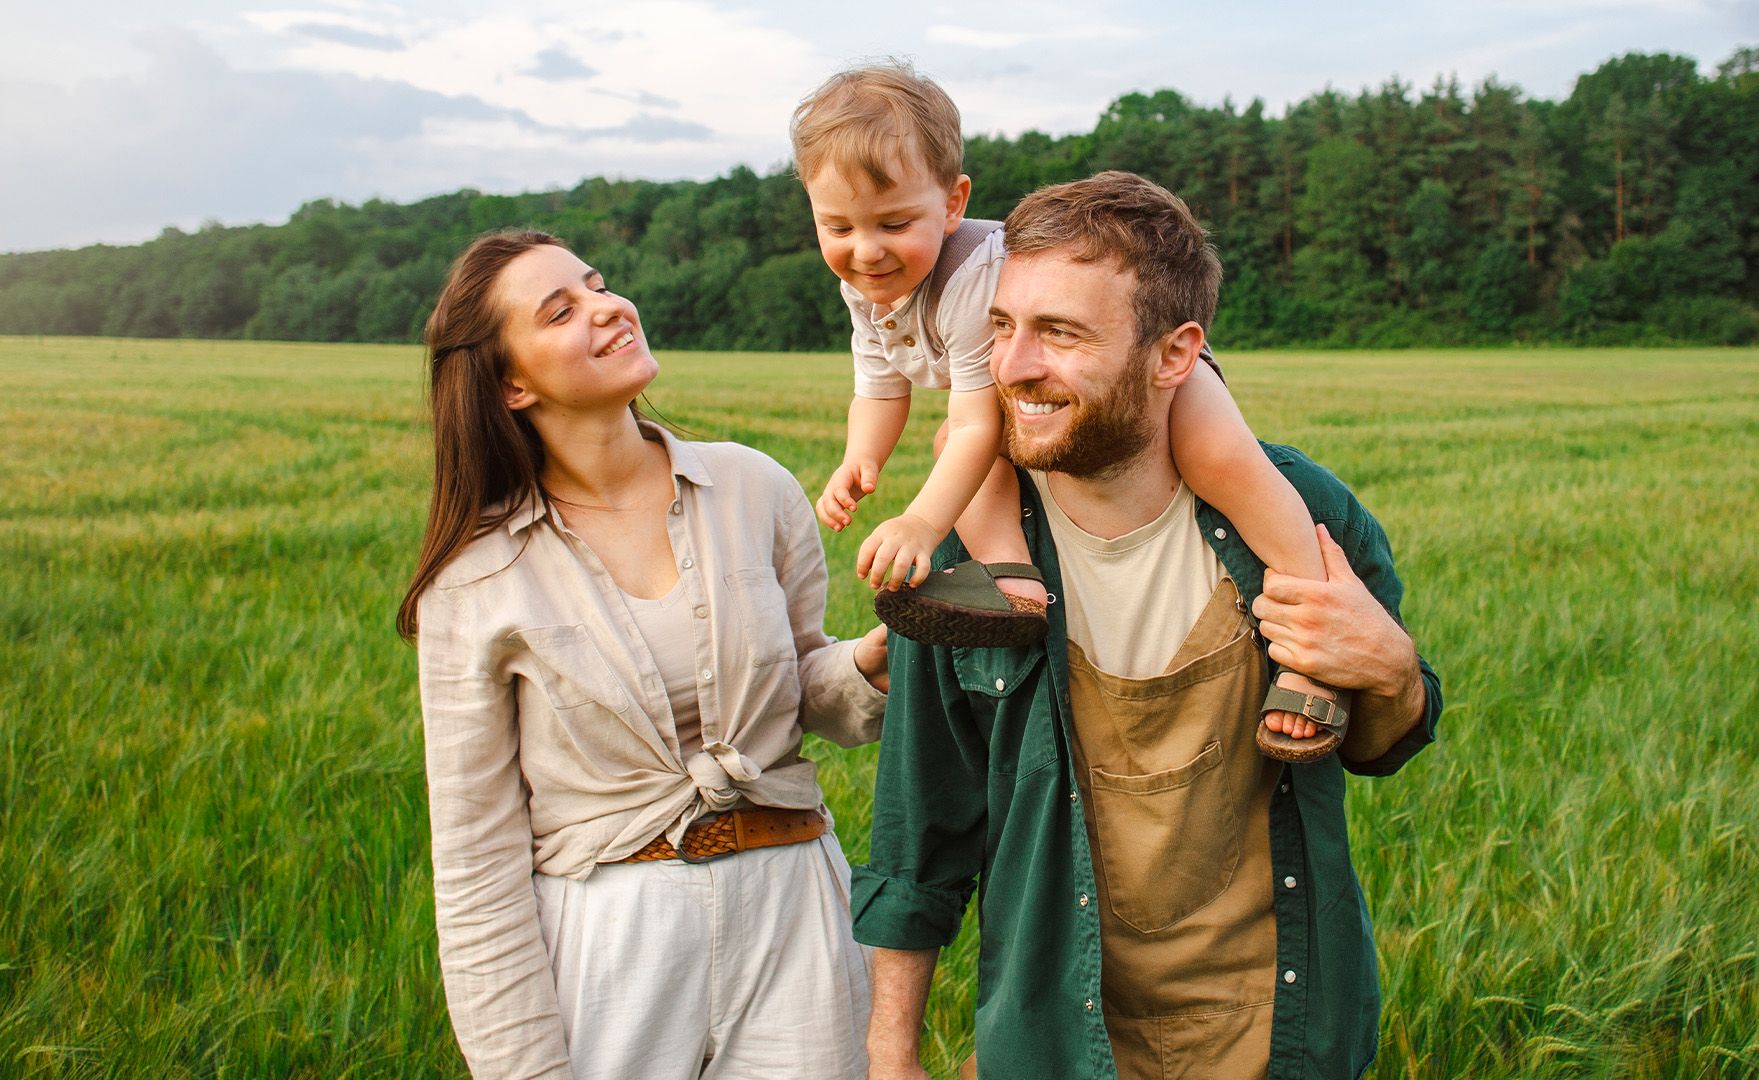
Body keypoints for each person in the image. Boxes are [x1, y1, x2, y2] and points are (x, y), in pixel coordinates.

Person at [852, 173, 1445, 1080]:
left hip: (1280, 1031)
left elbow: (1384, 742)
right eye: (1003, 326)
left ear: (1177, 355)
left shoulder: (1301, 514)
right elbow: (917, 832)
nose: (1011, 368)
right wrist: (890, 1059)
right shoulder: (965, 571)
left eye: (1061, 332)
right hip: (1056, 1039)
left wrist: (1392, 672)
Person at [396, 230, 889, 1080]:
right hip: (613, 945)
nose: (607, 307)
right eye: (561, 311)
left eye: (598, 285)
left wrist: (876, 661)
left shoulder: (753, 486)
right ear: (511, 383)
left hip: (796, 910)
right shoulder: (476, 579)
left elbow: (805, 684)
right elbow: (476, 856)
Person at [792, 62, 1349, 760]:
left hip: (1151, 369)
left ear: (954, 203)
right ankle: (1015, 582)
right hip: (1026, 387)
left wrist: (920, 522)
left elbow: (974, 423)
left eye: (893, 222)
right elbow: (878, 384)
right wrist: (861, 457)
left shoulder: (966, 282)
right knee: (953, 448)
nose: (865, 249)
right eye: (836, 226)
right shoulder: (868, 280)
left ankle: (1316, 641)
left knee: (1226, 464)